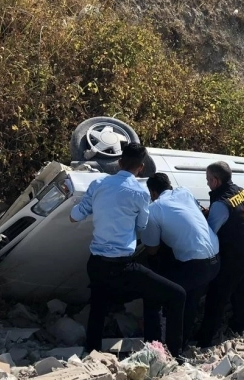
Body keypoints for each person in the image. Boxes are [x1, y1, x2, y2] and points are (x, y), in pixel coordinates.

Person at [69, 143, 186, 357]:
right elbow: (142, 226)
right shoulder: (140, 193)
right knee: (177, 294)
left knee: (98, 307)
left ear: (120, 162)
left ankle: (91, 353)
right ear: (141, 168)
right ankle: (173, 355)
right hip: (123, 267)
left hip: (96, 264)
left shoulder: (98, 184)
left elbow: (74, 216)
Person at [142, 173, 221, 349]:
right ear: (169, 185)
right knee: (190, 300)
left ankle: (165, 347)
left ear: (153, 193)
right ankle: (182, 342)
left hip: (196, 265)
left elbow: (152, 250)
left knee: (163, 297)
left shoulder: (154, 209)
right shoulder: (184, 192)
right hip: (215, 259)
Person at [195, 161, 244, 348]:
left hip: (233, 259)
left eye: (208, 179)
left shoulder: (221, 204)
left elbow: (211, 231)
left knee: (216, 298)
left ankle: (204, 340)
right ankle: (237, 327)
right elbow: (238, 216)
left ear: (216, 180)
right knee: (240, 292)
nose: (207, 183)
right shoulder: (240, 191)